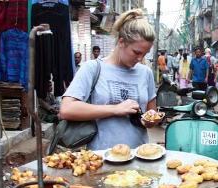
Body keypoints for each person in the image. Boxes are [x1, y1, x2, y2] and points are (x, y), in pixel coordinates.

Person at [60, 9, 158, 150]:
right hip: (101, 159)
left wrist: (151, 120)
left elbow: (151, 113)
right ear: (121, 42)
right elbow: (67, 109)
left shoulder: (145, 73)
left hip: (139, 158)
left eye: (144, 54)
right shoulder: (93, 68)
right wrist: (116, 109)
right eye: (136, 52)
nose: (140, 58)